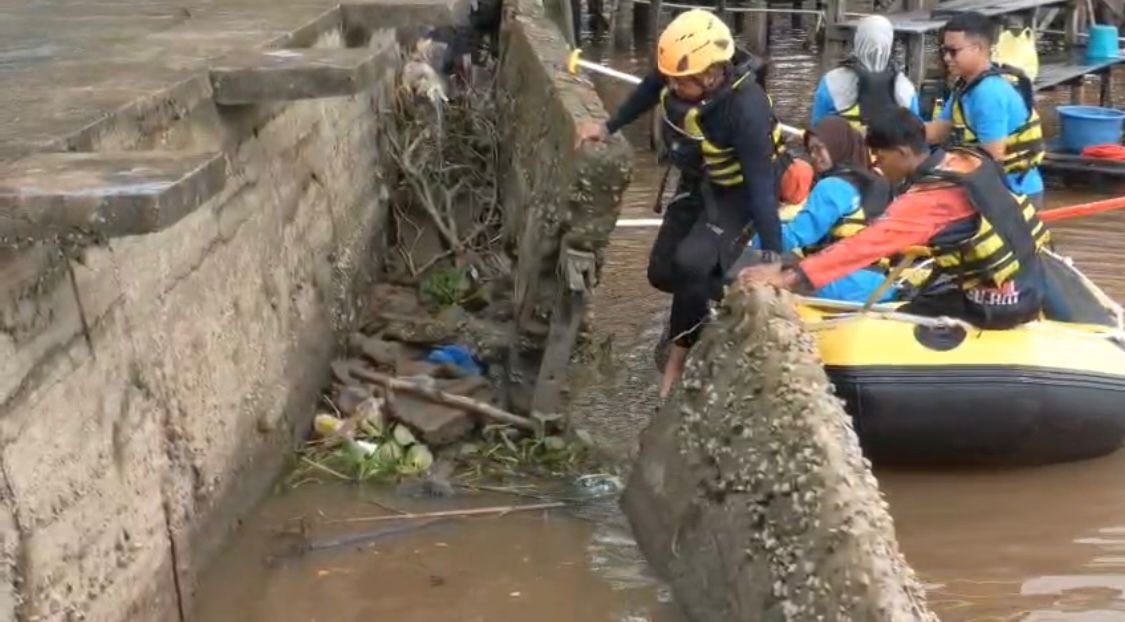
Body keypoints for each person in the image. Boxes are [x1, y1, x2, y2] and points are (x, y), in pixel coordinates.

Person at [576, 9, 785, 397]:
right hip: (698, 180)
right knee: (661, 272)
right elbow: (647, 90)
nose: (671, 86)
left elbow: (761, 186)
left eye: (680, 81)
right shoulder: (678, 75)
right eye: (669, 78)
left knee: (691, 264)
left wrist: (775, 257)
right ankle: (706, 303)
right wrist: (605, 127)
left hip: (738, 193)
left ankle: (676, 363)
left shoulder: (746, 108)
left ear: (711, 74)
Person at [740, 107, 1051, 330]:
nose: (877, 164)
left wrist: (787, 277)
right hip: (1029, 286)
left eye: (881, 156)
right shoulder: (965, 160)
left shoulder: (928, 198)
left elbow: (864, 246)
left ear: (902, 152)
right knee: (922, 295)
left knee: (900, 318)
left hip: (994, 304)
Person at [748, 115, 895, 303]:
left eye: (819, 148)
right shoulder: (881, 182)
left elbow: (794, 236)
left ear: (836, 145)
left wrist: (749, 238)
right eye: (811, 150)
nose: (814, 156)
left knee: (747, 269)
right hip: (881, 282)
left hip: (840, 285)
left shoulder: (832, 186)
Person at [925, 11, 1046, 207]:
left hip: (1013, 193)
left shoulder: (988, 93)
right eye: (944, 50)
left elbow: (991, 158)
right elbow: (940, 130)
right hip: (990, 185)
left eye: (953, 51)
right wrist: (895, 136)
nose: (946, 58)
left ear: (978, 49)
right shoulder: (965, 86)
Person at [811, 15, 921, 129]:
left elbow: (817, 125)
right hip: (888, 140)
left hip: (843, 140)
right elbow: (916, 131)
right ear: (889, 44)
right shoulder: (905, 87)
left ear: (857, 40)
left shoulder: (831, 81)